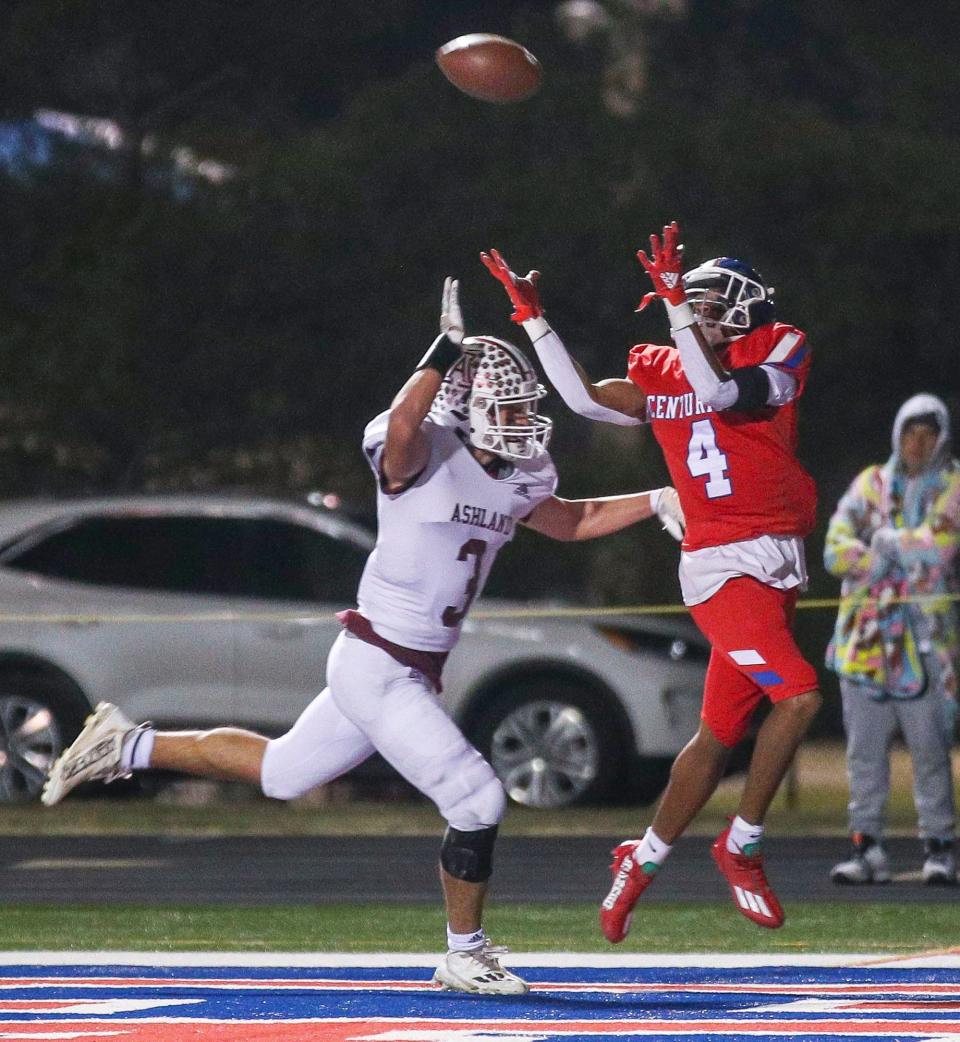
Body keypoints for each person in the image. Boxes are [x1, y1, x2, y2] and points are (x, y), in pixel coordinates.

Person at [42, 275, 685, 991]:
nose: (519, 418)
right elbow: (404, 428)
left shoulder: (523, 469)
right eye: (502, 404)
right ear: (461, 405)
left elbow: (573, 520)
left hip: (402, 665)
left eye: (521, 404)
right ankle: (463, 951)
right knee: (477, 799)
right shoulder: (420, 451)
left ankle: (125, 743)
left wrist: (657, 497)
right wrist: (441, 349)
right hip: (379, 661)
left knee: (285, 772)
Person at [482, 219, 821, 941]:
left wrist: (674, 307)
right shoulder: (660, 366)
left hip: (776, 563)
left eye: (704, 301)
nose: (696, 310)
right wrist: (534, 320)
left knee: (717, 735)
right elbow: (580, 400)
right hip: (721, 566)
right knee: (797, 698)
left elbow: (725, 394)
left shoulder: (780, 345)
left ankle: (644, 857)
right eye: (688, 301)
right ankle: (743, 845)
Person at [825, 392, 959, 886]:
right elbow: (835, 548)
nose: (918, 442)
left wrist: (886, 541)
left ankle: (940, 847)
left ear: (941, 438)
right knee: (863, 753)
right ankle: (867, 848)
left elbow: (941, 546)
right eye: (911, 432)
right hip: (863, 643)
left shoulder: (953, 484)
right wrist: (882, 558)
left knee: (930, 750)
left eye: (928, 433)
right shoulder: (870, 483)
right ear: (898, 434)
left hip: (924, 648)